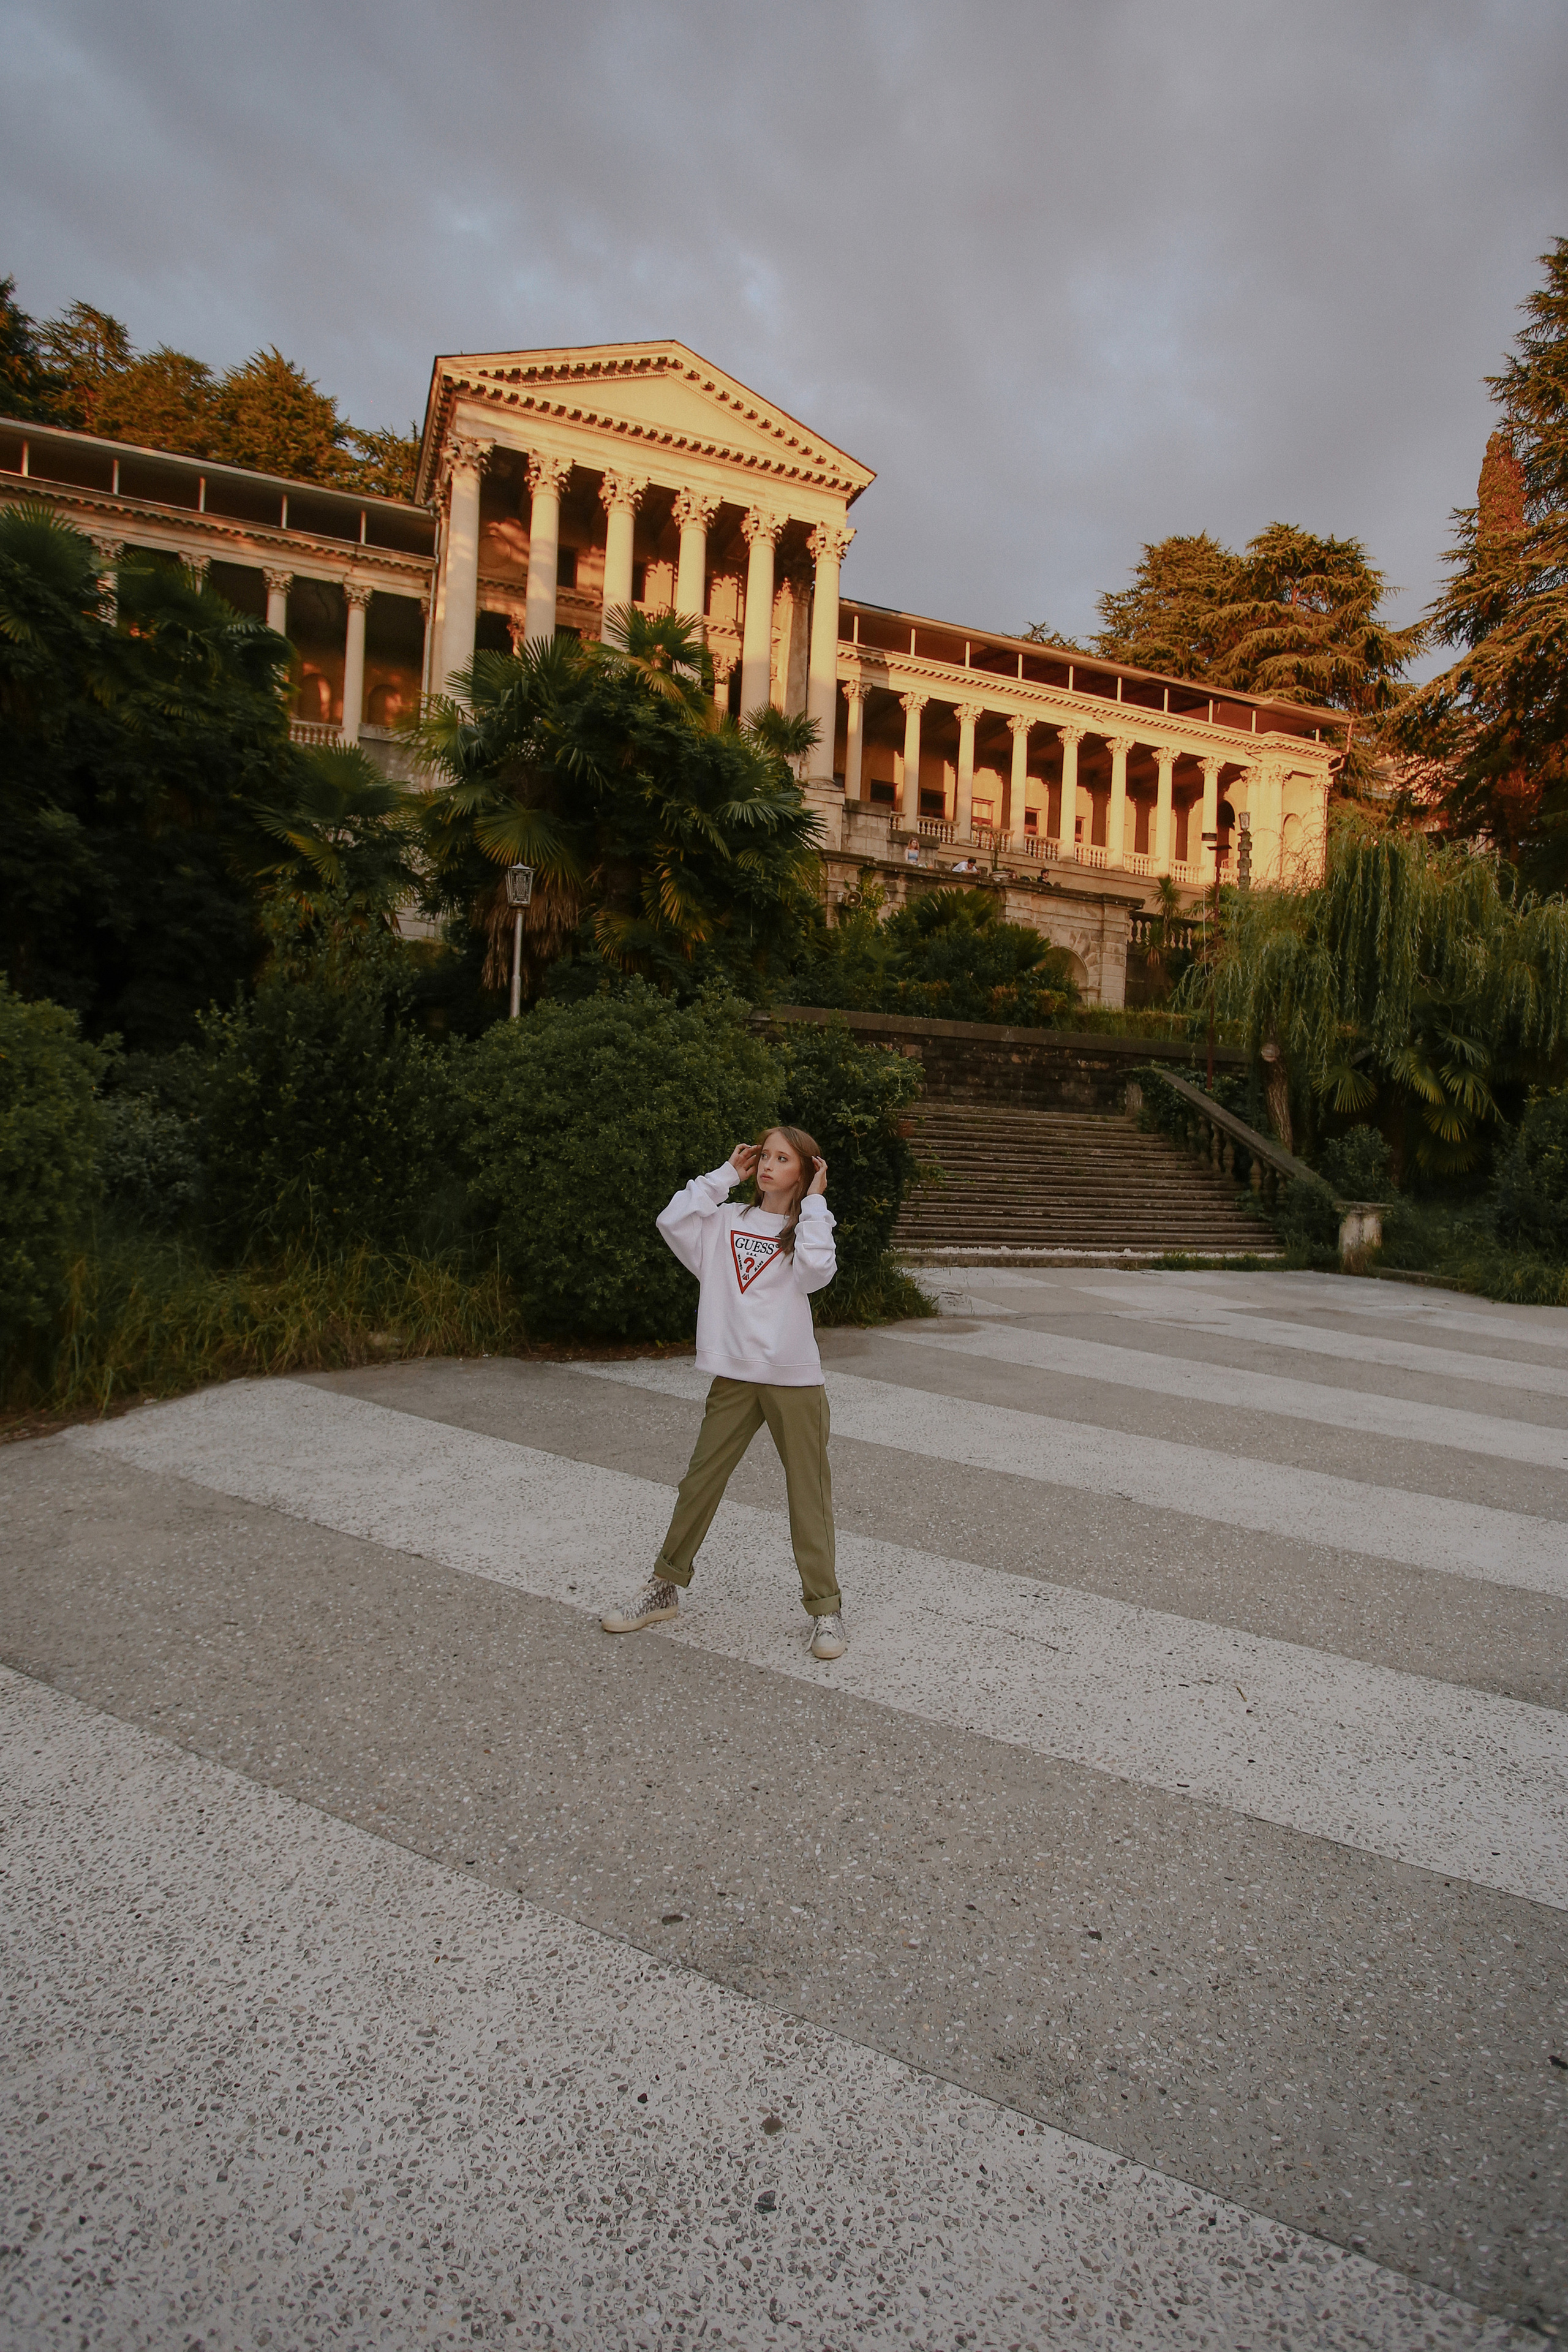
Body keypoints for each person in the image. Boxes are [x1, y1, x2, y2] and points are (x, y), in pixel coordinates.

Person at [600, 1127, 846, 1660]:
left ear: (803, 1173)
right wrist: (721, 1178)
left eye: (784, 1159)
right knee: (699, 1483)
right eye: (766, 1156)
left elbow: (816, 1274)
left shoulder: (805, 1230)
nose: (769, 1166)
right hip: (733, 1376)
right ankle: (664, 1587)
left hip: (793, 1379)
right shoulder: (724, 1221)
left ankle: (825, 1609)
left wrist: (816, 1207)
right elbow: (672, 1220)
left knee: (808, 1494)